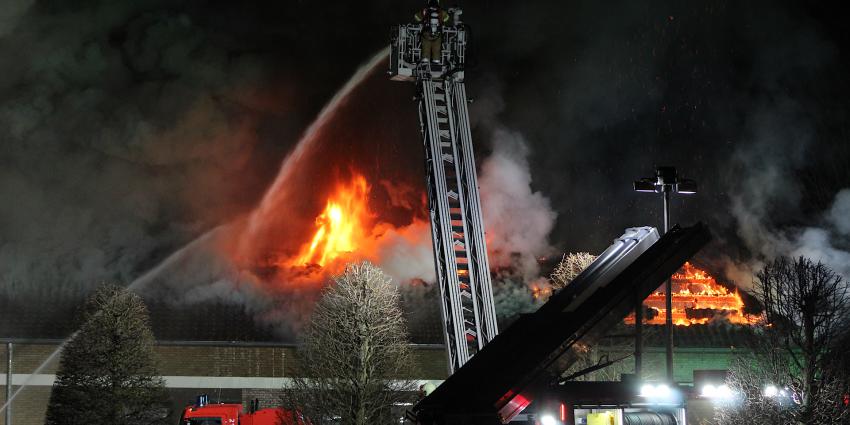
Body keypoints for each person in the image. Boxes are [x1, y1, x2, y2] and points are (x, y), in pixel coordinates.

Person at [414, 0, 450, 64]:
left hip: (426, 34)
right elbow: (447, 18)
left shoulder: (425, 10)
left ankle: (425, 60)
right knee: (436, 49)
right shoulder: (441, 12)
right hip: (437, 34)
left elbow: (416, 17)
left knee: (425, 47)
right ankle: (436, 61)